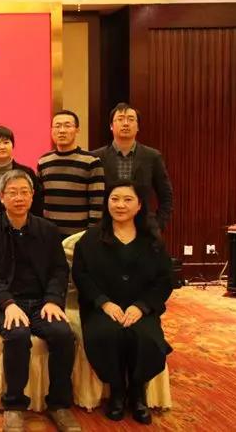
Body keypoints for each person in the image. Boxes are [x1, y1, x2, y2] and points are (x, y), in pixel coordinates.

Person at [0, 169, 80, 432]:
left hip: (41, 303)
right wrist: (7, 304)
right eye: (12, 193)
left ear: (32, 196)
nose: (19, 198)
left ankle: (59, 404)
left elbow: (59, 270)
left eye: (24, 192)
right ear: (1, 197)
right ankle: (14, 406)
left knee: (63, 334)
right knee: (17, 334)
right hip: (3, 304)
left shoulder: (48, 230)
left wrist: (53, 300)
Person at [72, 181, 173, 425]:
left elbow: (165, 279)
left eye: (128, 200)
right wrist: (104, 303)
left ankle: (137, 393)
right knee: (107, 334)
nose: (120, 205)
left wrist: (142, 306)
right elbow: (81, 276)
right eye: (115, 199)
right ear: (107, 203)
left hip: (140, 308)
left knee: (145, 337)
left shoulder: (152, 239)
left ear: (139, 205)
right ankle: (117, 391)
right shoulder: (91, 238)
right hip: (102, 308)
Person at [93, 103, 174, 232]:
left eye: (131, 119)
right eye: (120, 119)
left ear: (138, 127)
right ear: (111, 126)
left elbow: (166, 195)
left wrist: (158, 226)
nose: (126, 123)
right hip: (105, 228)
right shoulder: (96, 157)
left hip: (143, 228)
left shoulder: (152, 156)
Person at [37, 110, 105, 238]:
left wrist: (91, 234)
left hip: (79, 235)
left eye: (67, 126)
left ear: (77, 130)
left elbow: (97, 202)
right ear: (51, 130)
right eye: (57, 126)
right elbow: (39, 199)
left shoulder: (91, 161)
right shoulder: (43, 161)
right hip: (49, 234)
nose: (62, 130)